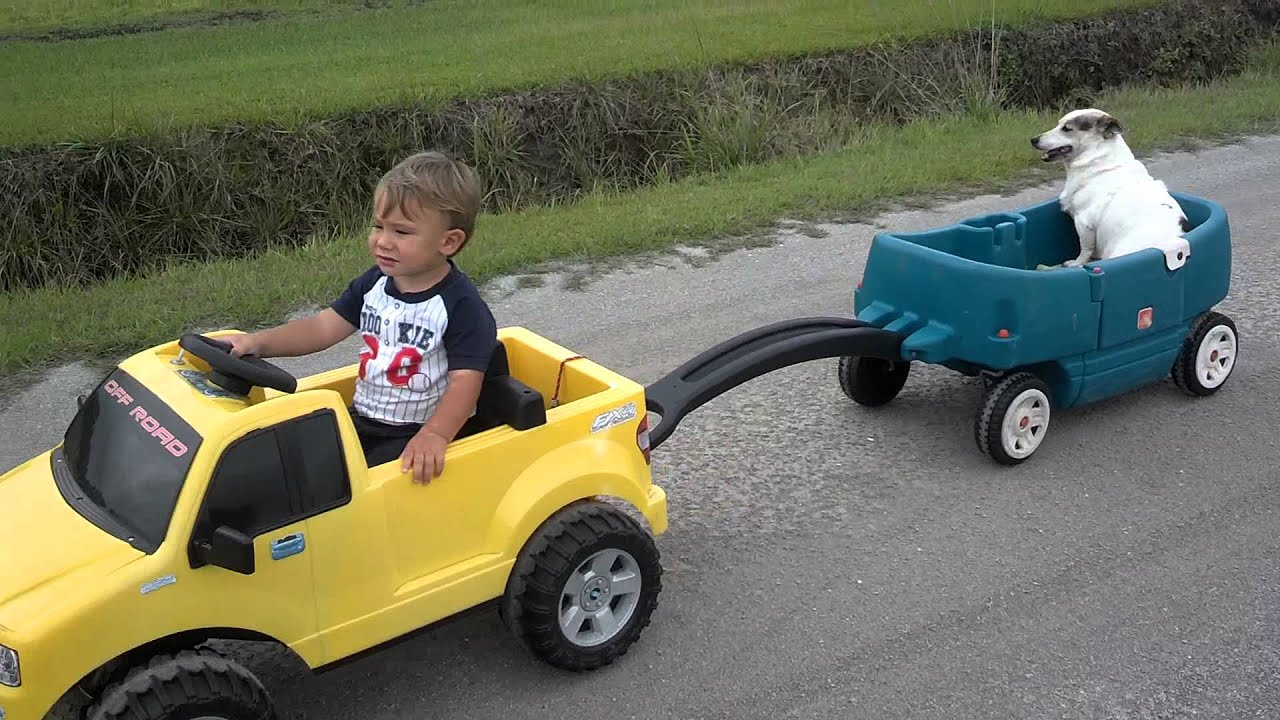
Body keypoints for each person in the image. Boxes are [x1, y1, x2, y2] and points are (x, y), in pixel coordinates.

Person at [225, 151, 498, 484]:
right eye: (378, 226)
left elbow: (465, 381)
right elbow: (323, 327)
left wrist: (436, 435)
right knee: (294, 466)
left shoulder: (461, 307)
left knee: (342, 492)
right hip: (365, 416)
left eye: (402, 232)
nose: (383, 241)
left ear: (448, 241)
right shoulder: (375, 284)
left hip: (413, 433)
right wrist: (257, 342)